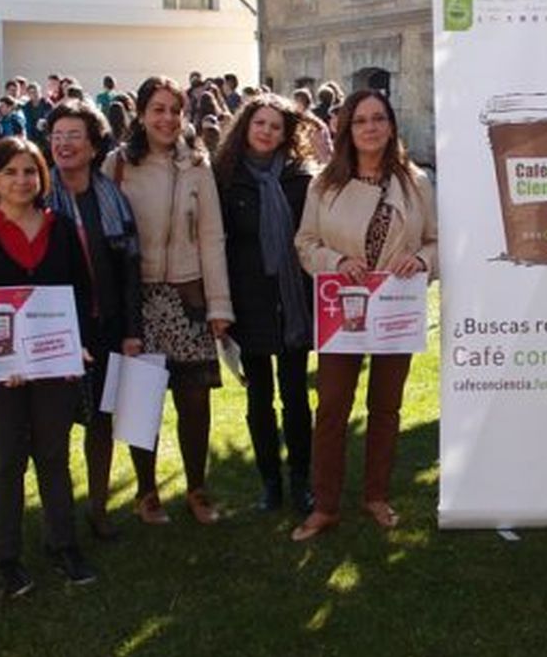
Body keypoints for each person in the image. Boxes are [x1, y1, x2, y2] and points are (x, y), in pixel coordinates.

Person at [0, 137, 97, 596]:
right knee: (7, 456)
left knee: (53, 453)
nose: (22, 181)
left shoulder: (61, 228)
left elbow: (80, 292)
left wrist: (77, 348)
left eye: (30, 171)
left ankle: (63, 544)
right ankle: (8, 558)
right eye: (11, 172)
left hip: (54, 364)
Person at [291, 90, 437, 541]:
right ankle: (326, 505)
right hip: (343, 310)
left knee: (386, 407)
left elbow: (436, 241)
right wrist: (336, 263)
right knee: (332, 406)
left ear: (391, 126)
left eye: (378, 119)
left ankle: (376, 495)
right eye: (360, 121)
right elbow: (305, 244)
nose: (370, 127)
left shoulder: (416, 183)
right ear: (346, 129)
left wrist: (423, 262)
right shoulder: (324, 184)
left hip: (395, 309)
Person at [101, 76, 233, 526]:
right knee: (143, 402)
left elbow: (213, 237)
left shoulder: (197, 164)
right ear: (141, 114)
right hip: (139, 299)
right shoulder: (117, 165)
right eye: (157, 109)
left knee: (195, 401)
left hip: (189, 295)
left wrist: (219, 306)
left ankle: (197, 489)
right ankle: (147, 491)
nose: (167, 119)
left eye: (175, 110)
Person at [44, 99, 145, 540]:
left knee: (102, 422)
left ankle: (98, 508)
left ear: (93, 146)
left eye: (74, 137)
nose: (64, 145)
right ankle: (57, 515)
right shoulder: (38, 197)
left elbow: (129, 269)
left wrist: (131, 331)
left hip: (107, 327)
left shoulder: (112, 198)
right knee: (53, 428)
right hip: (55, 331)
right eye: (57, 136)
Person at [215, 94, 317, 514]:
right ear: (246, 126)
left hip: (292, 302)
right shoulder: (225, 177)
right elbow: (216, 243)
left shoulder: (302, 179)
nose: (267, 132)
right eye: (260, 123)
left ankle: (301, 481)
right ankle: (269, 483)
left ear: (286, 133)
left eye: (276, 126)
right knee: (258, 399)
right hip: (248, 300)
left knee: (295, 395)